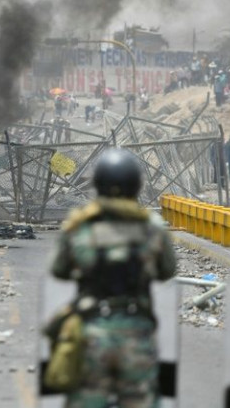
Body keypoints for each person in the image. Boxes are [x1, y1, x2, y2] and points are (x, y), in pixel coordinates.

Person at [47, 148, 176, 408]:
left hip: (92, 334)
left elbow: (58, 270)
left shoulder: (81, 226)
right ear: (136, 185)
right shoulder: (152, 228)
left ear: (99, 185)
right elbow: (167, 271)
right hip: (137, 335)